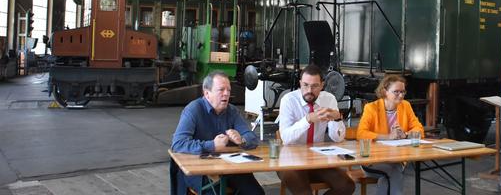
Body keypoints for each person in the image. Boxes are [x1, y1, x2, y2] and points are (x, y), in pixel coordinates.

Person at [171, 71, 264, 195]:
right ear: (207, 93)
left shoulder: (232, 111)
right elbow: (178, 144)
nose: (226, 94)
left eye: (229, 90)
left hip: (229, 166)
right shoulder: (193, 110)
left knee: (256, 193)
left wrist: (242, 139)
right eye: (221, 90)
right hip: (199, 168)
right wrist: (212, 146)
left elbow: (252, 138)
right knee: (214, 192)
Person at [278, 64, 355, 195]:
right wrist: (307, 119)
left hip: (318, 159)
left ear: (322, 85)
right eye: (305, 85)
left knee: (347, 186)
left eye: (314, 86)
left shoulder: (329, 99)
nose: (309, 90)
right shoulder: (289, 100)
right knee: (304, 192)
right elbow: (286, 138)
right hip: (290, 161)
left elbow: (338, 139)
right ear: (300, 83)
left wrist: (337, 119)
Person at [356, 74, 424, 195]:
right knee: (394, 172)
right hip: (372, 160)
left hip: (396, 159)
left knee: (391, 173)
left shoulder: (406, 106)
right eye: (396, 92)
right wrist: (388, 137)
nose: (401, 95)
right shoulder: (371, 108)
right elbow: (361, 134)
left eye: (403, 92)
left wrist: (406, 134)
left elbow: (419, 128)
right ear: (384, 91)